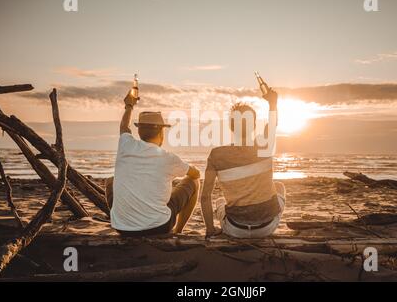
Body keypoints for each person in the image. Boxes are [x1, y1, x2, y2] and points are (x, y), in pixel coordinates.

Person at [105, 92, 200, 236]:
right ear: (162, 132)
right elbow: (195, 174)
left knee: (110, 181)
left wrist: (129, 106)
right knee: (194, 181)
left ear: (139, 132)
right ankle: (178, 231)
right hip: (159, 227)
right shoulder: (168, 158)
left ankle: (124, 219)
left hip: (122, 228)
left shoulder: (126, 144)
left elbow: (124, 126)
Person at [200, 89, 286, 238]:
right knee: (279, 187)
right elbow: (273, 122)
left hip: (235, 229)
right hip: (266, 227)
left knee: (220, 201)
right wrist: (273, 103)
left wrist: (210, 230)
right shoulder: (264, 145)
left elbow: (205, 197)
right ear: (253, 125)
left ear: (231, 126)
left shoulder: (216, 155)